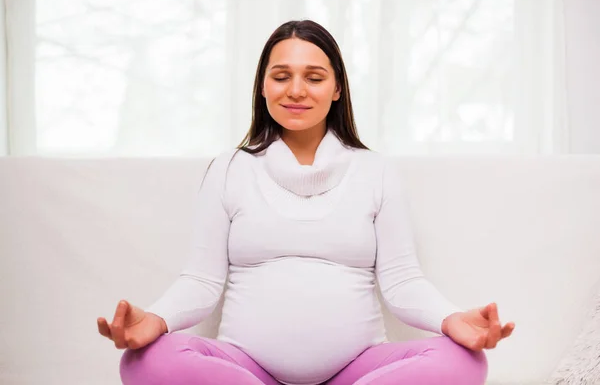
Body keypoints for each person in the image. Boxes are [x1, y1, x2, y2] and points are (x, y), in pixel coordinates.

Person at [97, 20, 514, 385]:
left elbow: (402, 281)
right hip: (247, 369)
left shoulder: (375, 171)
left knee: (463, 362)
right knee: (144, 361)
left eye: (314, 77)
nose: (296, 90)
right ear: (263, 86)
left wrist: (451, 318)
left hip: (357, 370)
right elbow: (201, 282)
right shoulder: (229, 169)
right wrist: (154, 319)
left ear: (336, 89)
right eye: (281, 76)